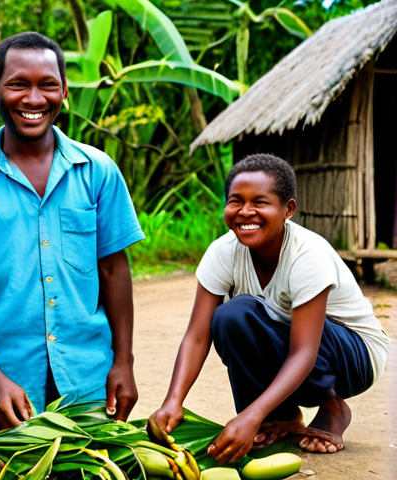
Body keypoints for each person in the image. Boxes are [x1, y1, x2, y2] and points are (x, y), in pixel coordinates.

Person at [0, 32, 145, 430]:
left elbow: (114, 269)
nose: (33, 99)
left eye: (48, 85)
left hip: (87, 385)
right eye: (17, 84)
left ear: (64, 91)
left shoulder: (98, 172)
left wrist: (124, 362)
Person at [147, 154, 390, 462]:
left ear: (288, 209)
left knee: (254, 318)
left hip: (354, 355)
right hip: (297, 346)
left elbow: (305, 351)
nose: (245, 211)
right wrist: (173, 401)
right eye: (235, 201)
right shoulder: (223, 253)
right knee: (231, 317)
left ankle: (333, 408)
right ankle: (283, 416)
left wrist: (251, 414)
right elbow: (197, 336)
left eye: (260, 202)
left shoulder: (307, 255)